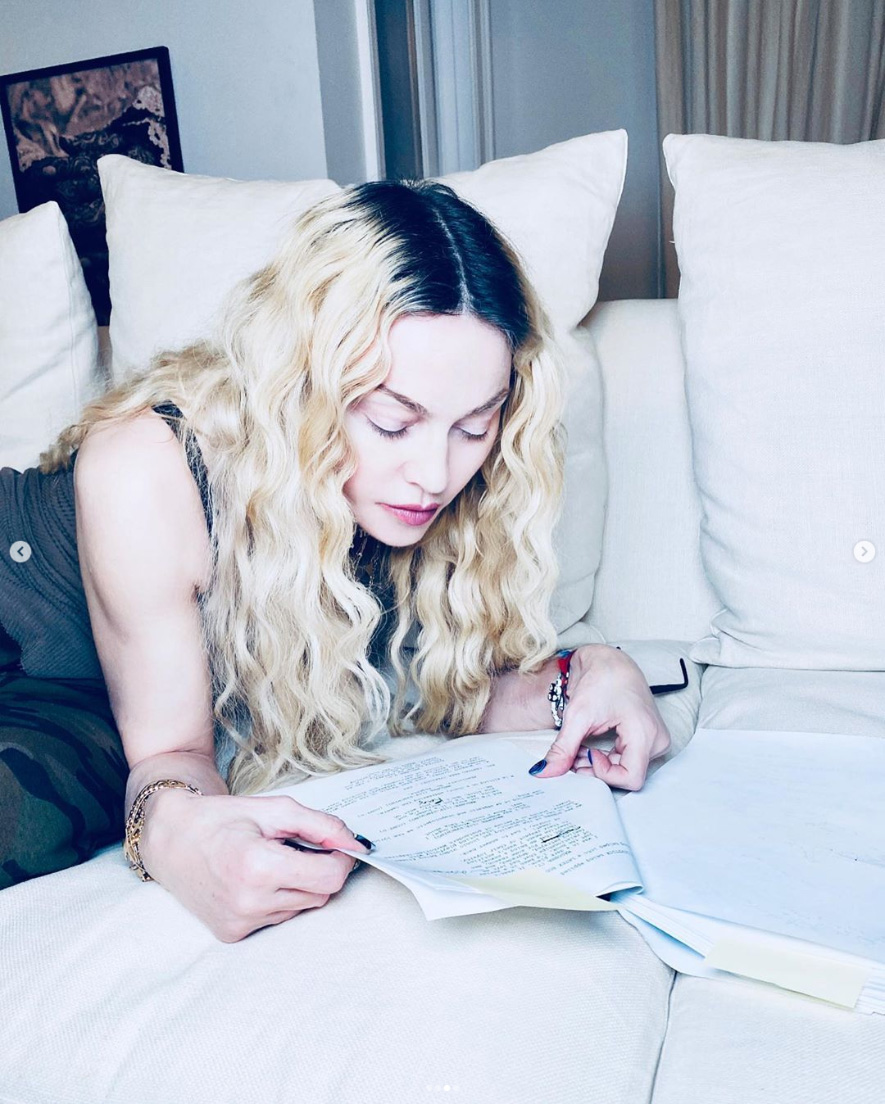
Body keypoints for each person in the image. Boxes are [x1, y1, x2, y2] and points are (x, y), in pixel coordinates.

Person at [0, 180, 669, 939]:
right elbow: (171, 758)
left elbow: (447, 688)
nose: (434, 475)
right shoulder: (150, 463)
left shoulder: (417, 510)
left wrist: (592, 675)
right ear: (305, 385)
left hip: (78, 702)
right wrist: (177, 835)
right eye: (392, 422)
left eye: (474, 426)